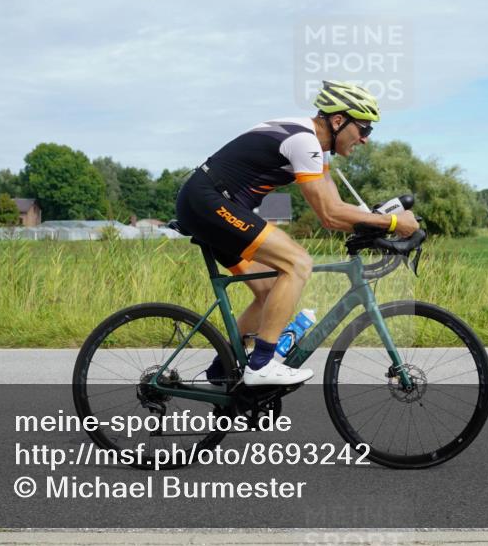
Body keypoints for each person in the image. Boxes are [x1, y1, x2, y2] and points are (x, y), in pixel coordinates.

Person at [175, 81, 420, 386]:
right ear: (338, 120)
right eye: (365, 129)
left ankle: (220, 371)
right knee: (297, 263)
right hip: (209, 202)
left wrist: (377, 224)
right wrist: (394, 224)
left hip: (212, 204)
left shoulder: (313, 148)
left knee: (268, 291)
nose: (366, 140)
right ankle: (261, 365)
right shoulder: (303, 141)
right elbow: (330, 213)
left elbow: (335, 211)